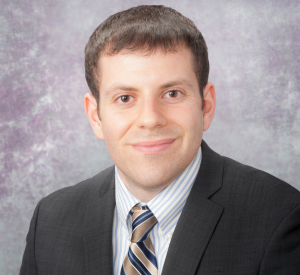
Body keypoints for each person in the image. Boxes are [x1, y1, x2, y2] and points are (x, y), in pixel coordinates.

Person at [20, 5, 300, 275]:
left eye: (172, 93)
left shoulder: (279, 218)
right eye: (125, 98)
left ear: (206, 106)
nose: (151, 119)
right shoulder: (51, 221)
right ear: (96, 116)